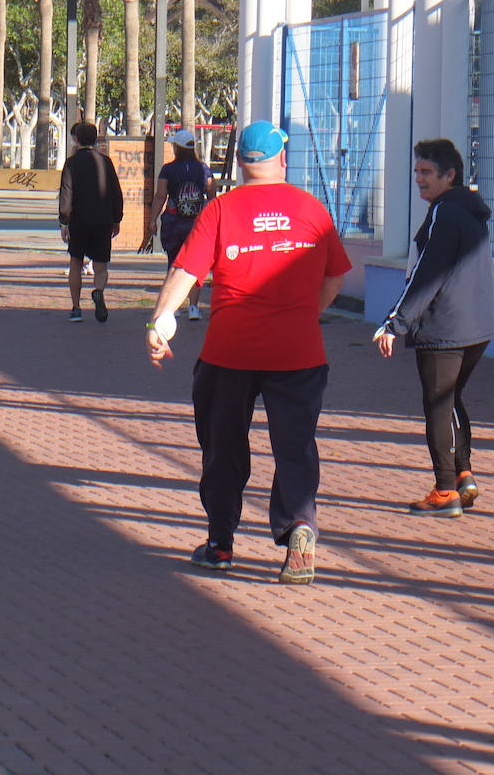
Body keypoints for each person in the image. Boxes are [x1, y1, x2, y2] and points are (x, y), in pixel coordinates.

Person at [146, 120, 351, 585]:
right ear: (282, 158)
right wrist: (304, 312)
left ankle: (220, 542)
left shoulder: (222, 210)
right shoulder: (312, 209)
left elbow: (186, 271)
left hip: (229, 352)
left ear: (240, 162)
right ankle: (299, 528)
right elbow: (335, 277)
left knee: (222, 449)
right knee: (294, 446)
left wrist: (160, 320)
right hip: (298, 353)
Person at [373, 139, 494, 518]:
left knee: (438, 407)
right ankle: (463, 474)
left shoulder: (446, 212)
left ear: (450, 175)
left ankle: (445, 491)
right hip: (477, 325)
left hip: (446, 327)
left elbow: (428, 274)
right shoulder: (467, 210)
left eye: (427, 173)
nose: (419, 180)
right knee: (452, 401)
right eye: (417, 172)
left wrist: (395, 322)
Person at [140, 128, 214, 321]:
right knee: (196, 264)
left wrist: (152, 220)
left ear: (177, 148)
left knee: (174, 263)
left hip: (173, 221)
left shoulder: (168, 169)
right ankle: (194, 308)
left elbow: (160, 196)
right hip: (197, 223)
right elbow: (212, 193)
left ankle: (173, 307)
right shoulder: (204, 168)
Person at [58, 120, 123, 323]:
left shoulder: (71, 163)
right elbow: (116, 192)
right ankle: (99, 291)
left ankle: (76, 307)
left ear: (76, 139)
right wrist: (116, 218)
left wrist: (64, 221)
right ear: (96, 139)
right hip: (103, 219)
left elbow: (66, 193)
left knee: (76, 262)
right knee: (101, 265)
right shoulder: (106, 162)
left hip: (79, 220)